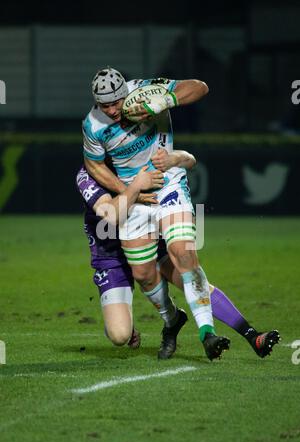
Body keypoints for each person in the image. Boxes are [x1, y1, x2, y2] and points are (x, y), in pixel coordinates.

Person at [83, 66, 231, 360]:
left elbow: (200, 86)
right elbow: (94, 165)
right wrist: (131, 189)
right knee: (143, 274)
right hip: (135, 198)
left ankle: (207, 333)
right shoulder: (92, 124)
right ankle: (172, 320)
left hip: (168, 182)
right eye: (105, 104)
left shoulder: (147, 89)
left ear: (125, 91)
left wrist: (162, 102)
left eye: (116, 102)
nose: (112, 110)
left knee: (183, 251)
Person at [76, 151, 281, 360]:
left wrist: (175, 159)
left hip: (149, 237)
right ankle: (172, 319)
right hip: (112, 255)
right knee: (120, 335)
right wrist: (136, 186)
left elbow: (187, 158)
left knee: (190, 279)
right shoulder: (88, 175)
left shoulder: (138, 150)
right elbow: (111, 216)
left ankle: (252, 335)